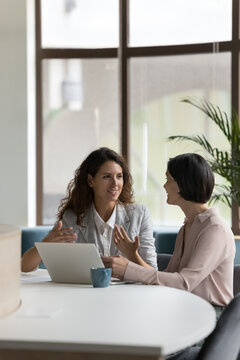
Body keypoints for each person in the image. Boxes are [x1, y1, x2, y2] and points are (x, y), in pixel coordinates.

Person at [102, 153, 236, 307]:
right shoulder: (188, 226)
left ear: (184, 183)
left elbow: (184, 283)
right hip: (186, 309)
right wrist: (133, 256)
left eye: (168, 179)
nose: (164, 186)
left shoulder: (215, 229)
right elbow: (167, 279)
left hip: (213, 317)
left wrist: (128, 269)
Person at [21, 147, 157, 272]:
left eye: (119, 176)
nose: (115, 183)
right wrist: (45, 243)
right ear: (91, 181)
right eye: (107, 176)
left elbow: (153, 273)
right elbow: (24, 266)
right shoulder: (73, 218)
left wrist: (132, 256)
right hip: (85, 295)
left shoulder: (139, 215)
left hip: (129, 295)